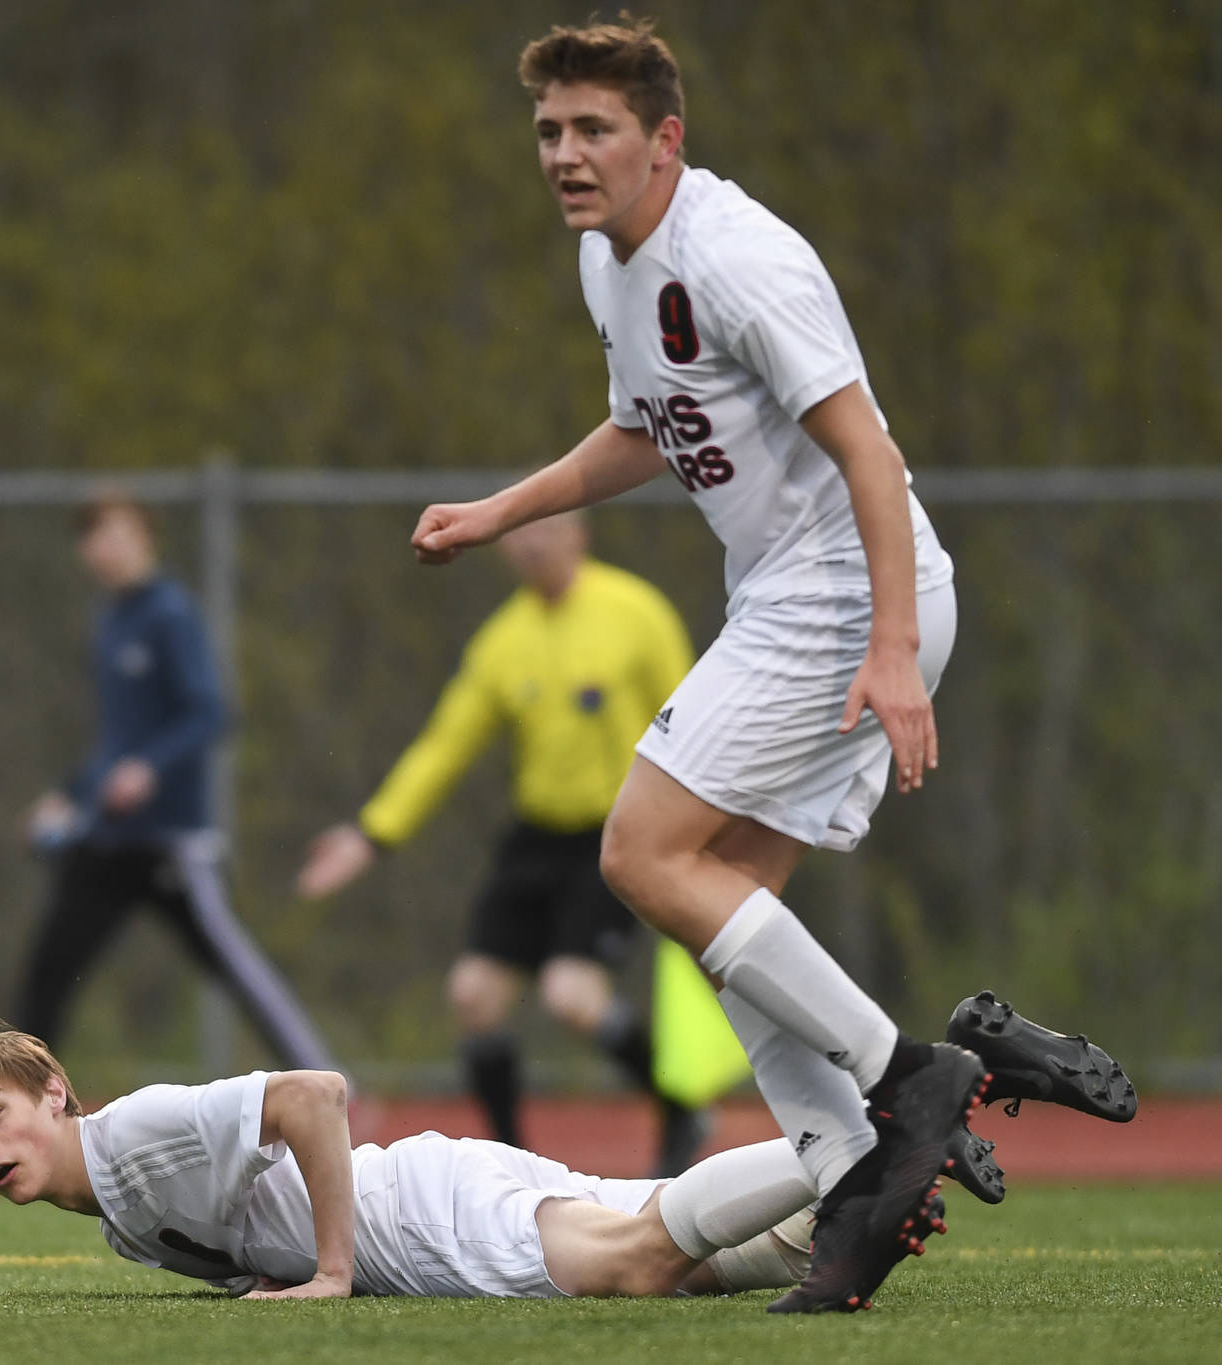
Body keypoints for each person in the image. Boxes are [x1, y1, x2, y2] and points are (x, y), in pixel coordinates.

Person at [406, 18, 992, 1312]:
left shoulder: (737, 256)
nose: (565, 154)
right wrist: (499, 511)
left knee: (638, 853)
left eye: (594, 130)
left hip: (847, 595)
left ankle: (905, 1082)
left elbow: (872, 456)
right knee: (721, 899)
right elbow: (645, 431)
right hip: (797, 596)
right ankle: (855, 1185)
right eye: (552, 131)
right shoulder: (604, 260)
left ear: (665, 142)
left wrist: (892, 650)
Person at [0, 1006, 1128, 1305]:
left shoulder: (131, 1134)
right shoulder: (106, 1194)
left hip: (415, 1213)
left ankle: (893, 1126)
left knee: (640, 1262)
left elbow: (312, 1095)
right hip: (435, 1191)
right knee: (713, 1258)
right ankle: (923, 1112)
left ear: (53, 1093)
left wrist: (331, 1270)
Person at [294, 512, 742, 1175]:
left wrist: (706, 820)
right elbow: (444, 745)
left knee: (571, 995)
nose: (532, 542)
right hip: (537, 836)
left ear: (580, 534)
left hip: (617, 831)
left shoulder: (635, 612)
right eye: (520, 531)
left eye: (547, 527)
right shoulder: (504, 640)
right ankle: (510, 1157)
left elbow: (694, 712)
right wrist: (372, 833)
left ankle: (681, 1108)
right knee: (473, 993)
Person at [15, 490, 338, 1073]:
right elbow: (118, 741)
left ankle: (332, 1090)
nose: (105, 547)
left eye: (118, 532)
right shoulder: (109, 621)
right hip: (108, 843)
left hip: (173, 847)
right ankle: (21, 1110)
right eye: (93, 537)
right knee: (47, 973)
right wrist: (70, 792)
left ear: (146, 537)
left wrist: (150, 769)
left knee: (243, 975)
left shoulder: (171, 613)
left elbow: (209, 713)